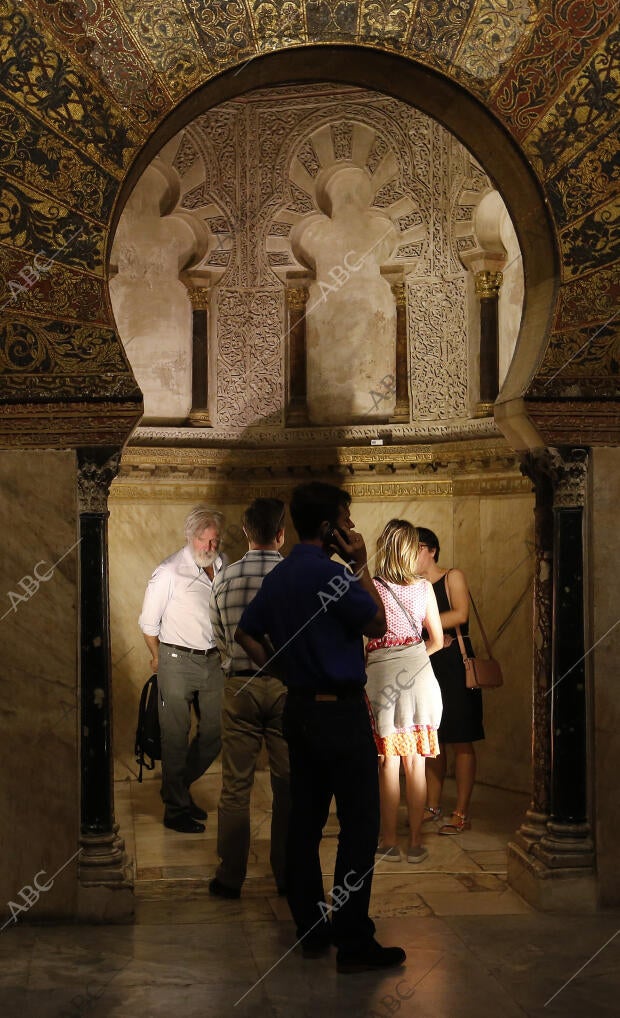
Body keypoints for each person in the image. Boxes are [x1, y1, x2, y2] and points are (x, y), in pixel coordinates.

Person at [235, 482, 406, 975]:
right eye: (347, 521)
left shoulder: (282, 574)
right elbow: (378, 625)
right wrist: (360, 565)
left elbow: (246, 630)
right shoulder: (333, 575)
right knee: (359, 825)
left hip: (301, 711)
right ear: (329, 527)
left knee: (304, 823)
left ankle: (311, 929)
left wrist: (280, 669)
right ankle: (353, 940)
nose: (353, 529)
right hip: (340, 714)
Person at [208, 498, 290, 899]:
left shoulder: (223, 579)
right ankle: (287, 872)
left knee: (235, 786)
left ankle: (230, 875)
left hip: (239, 683)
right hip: (286, 688)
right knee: (288, 782)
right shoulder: (293, 576)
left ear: (245, 533)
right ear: (281, 534)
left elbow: (219, 637)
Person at [139, 505, 226, 833]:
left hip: (213, 660)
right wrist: (158, 656)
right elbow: (148, 624)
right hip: (175, 660)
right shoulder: (169, 572)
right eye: (204, 541)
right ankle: (175, 809)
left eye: (214, 540)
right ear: (190, 537)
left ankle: (174, 788)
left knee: (214, 734)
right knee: (175, 737)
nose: (210, 547)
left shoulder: (221, 564)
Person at [365, 520, 443, 864]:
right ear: (412, 549)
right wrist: (411, 660)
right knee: (417, 764)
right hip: (420, 677)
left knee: (388, 764)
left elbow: (360, 634)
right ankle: (415, 842)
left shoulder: (372, 587)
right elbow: (437, 640)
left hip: (382, 675)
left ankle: (388, 842)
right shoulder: (424, 588)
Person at [415, 526, 484, 834]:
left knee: (461, 738)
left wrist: (426, 623)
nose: (410, 555)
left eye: (415, 548)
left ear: (431, 549)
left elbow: (460, 614)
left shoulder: (452, 576)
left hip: (455, 663)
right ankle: (432, 805)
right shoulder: (413, 585)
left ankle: (461, 813)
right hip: (427, 663)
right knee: (434, 740)